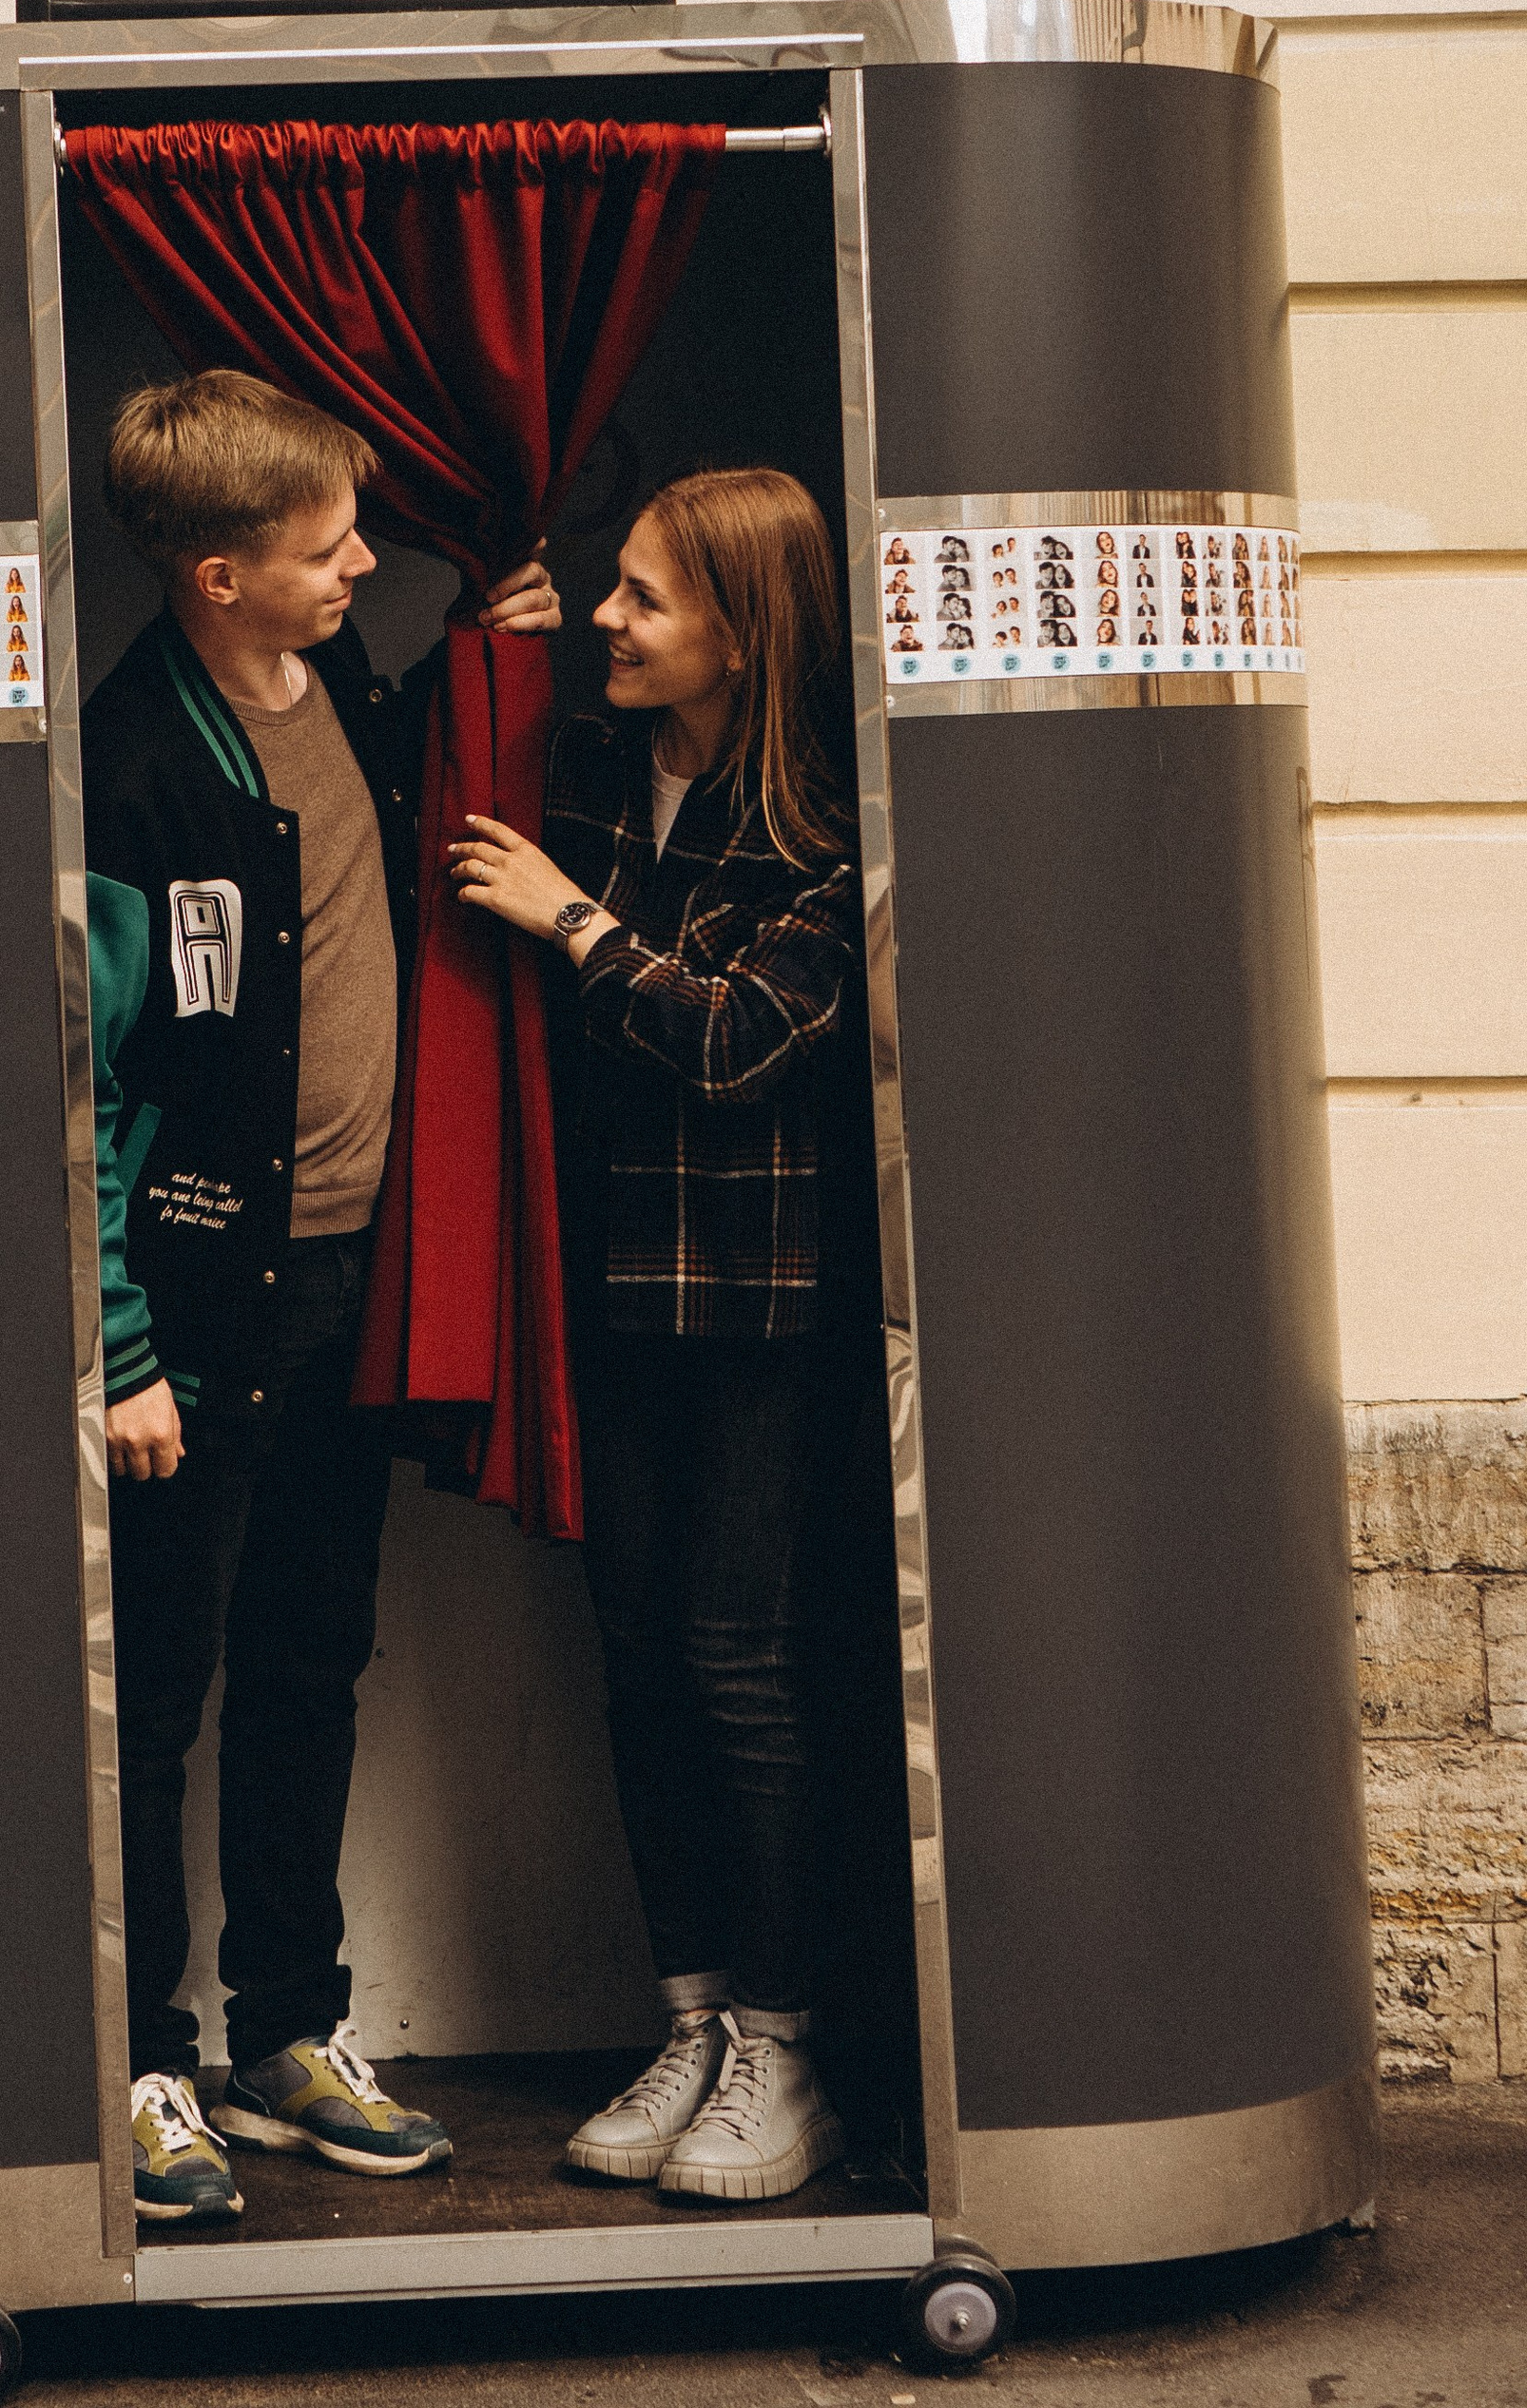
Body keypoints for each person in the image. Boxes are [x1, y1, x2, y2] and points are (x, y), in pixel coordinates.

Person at [81, 368, 555, 2226]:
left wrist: (473, 664)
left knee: (304, 1668)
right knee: (158, 1698)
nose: (361, 556)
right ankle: (133, 2060)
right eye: (324, 544)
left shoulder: (335, 689)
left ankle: (285, 2034)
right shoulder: (131, 764)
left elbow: (367, 830)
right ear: (213, 576)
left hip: (351, 1280)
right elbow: (90, 1081)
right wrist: (117, 1350)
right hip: (196, 1316)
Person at [447, 464, 861, 2206]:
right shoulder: (604, 773)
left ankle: (787, 2043)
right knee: (634, 1654)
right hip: (603, 1292)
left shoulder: (831, 829)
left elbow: (735, 1040)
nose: (612, 619)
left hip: (758, 1316)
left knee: (739, 1665)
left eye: (643, 599)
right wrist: (505, 651)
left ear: (740, 634)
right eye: (609, 589)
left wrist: (578, 925)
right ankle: (694, 2018)